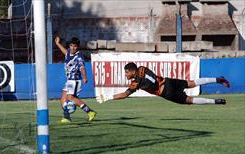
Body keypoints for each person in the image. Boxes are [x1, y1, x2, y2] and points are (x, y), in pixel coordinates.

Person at [96, 62, 230, 105]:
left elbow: (125, 95)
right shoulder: (142, 68)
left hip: (166, 92)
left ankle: (215, 102)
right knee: (191, 83)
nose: (126, 75)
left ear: (131, 71)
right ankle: (217, 79)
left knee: (189, 100)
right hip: (168, 81)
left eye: (126, 73)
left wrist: (108, 97)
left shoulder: (135, 83)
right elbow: (152, 78)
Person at [55, 36, 97, 123]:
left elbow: (82, 68)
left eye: (75, 46)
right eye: (71, 45)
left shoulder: (79, 56)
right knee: (63, 98)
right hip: (69, 81)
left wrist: (85, 77)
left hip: (75, 80)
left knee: (71, 97)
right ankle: (67, 117)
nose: (73, 48)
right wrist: (58, 43)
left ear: (78, 47)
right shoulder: (68, 53)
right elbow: (65, 52)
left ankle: (90, 112)